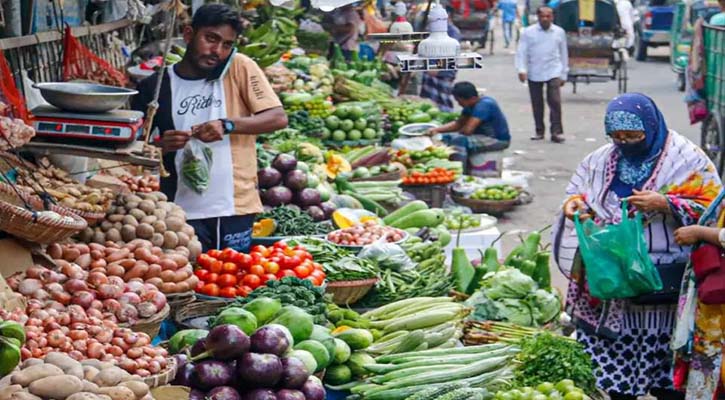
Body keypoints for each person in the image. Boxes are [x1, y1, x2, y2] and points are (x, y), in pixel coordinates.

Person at [552, 93, 722, 400]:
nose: (626, 142)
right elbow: (578, 194)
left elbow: (714, 209)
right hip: (614, 282)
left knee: (666, 362)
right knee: (616, 367)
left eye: (634, 135)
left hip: (666, 281)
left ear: (652, 126)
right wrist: (575, 206)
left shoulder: (686, 158)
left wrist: (666, 203)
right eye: (618, 137)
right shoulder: (601, 159)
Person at [131, 4, 288, 253]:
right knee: (186, 279)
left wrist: (227, 124)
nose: (217, 51)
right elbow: (135, 149)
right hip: (177, 210)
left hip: (234, 206)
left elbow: (277, 117)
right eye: (211, 39)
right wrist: (160, 146)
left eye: (226, 44)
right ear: (188, 34)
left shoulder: (238, 67)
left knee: (231, 281)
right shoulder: (155, 86)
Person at [515, 6, 568, 143]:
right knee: (537, 103)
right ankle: (539, 131)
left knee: (555, 102)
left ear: (552, 17)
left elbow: (563, 54)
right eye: (542, 16)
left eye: (548, 16)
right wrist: (521, 69)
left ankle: (556, 132)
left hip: (553, 70)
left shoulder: (559, 32)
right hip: (535, 71)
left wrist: (564, 73)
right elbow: (522, 52)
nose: (545, 19)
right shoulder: (528, 32)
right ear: (538, 17)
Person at [428, 82, 510, 169]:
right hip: (479, 136)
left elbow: (468, 130)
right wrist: (436, 130)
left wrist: (456, 134)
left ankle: (459, 171)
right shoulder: (470, 105)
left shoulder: (484, 105)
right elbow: (458, 124)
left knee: (459, 141)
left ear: (472, 98)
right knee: (444, 137)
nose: (459, 104)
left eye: (460, 101)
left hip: (496, 140)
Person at [419, 7, 462, 112]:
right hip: (430, 72)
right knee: (429, 102)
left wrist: (437, 67)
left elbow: (451, 57)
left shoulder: (453, 33)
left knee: (443, 101)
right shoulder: (430, 31)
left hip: (444, 73)